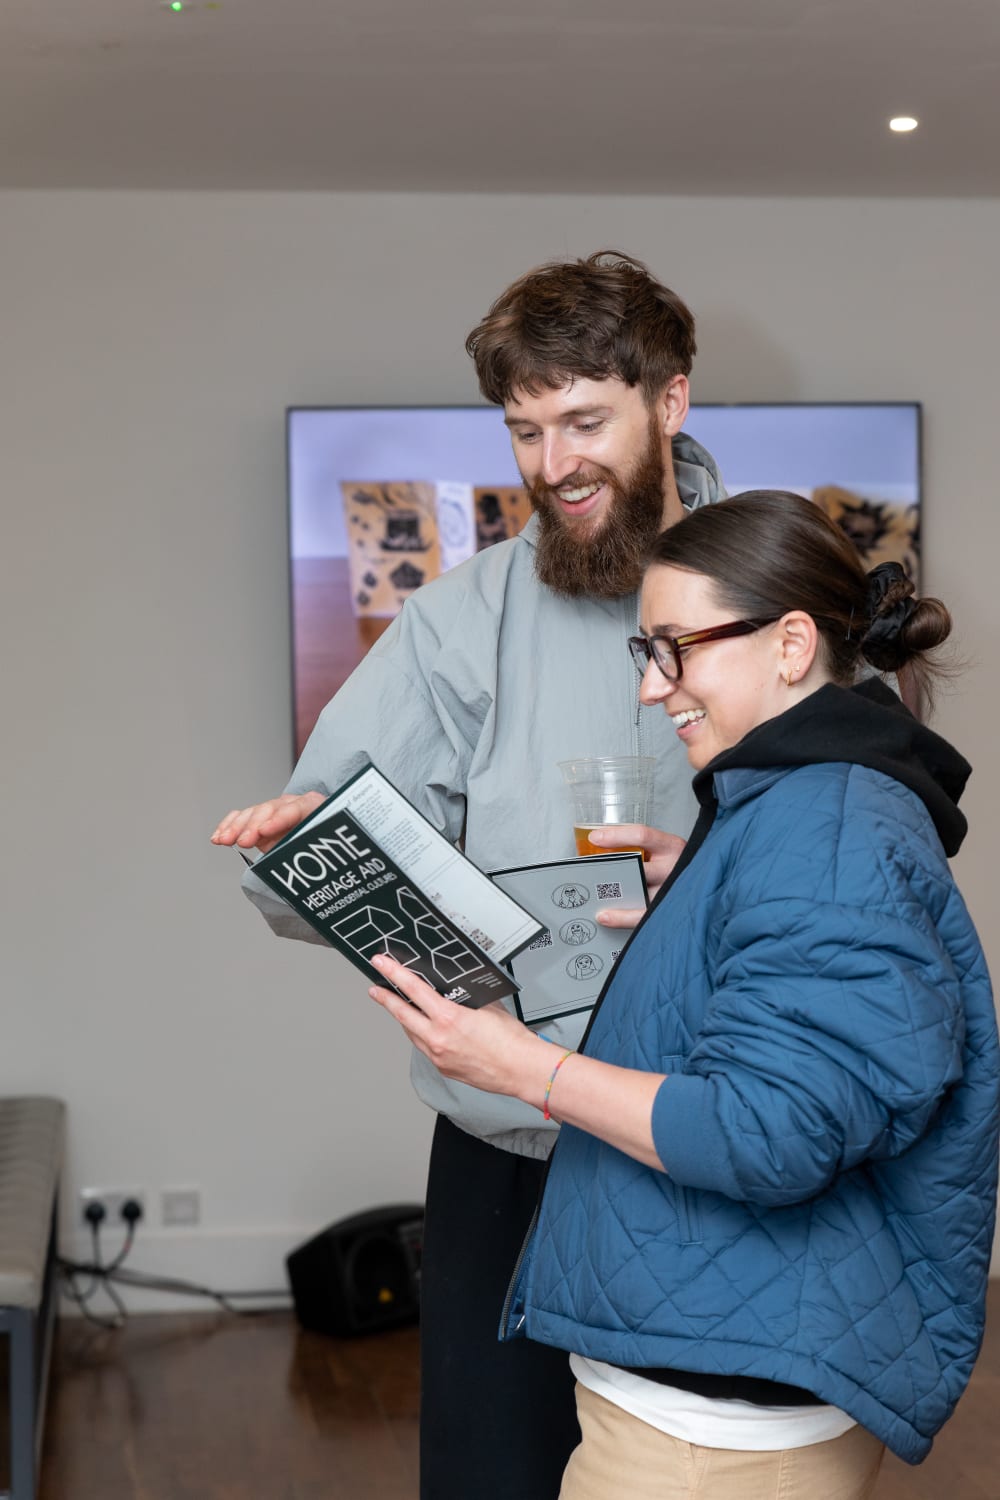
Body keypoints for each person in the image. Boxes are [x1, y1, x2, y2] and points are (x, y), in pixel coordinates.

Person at [211, 251, 726, 1499]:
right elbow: (304, 876)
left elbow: (865, 832)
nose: (556, 465)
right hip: (512, 1156)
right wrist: (315, 846)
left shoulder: (787, 590)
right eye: (525, 432)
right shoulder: (457, 622)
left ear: (669, 400)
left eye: (585, 421)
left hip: (720, 1143)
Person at [366, 490, 999, 1500]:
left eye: (676, 650)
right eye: (644, 652)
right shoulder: (792, 805)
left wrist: (524, 1069)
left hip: (712, 1435)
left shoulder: (827, 826)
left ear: (790, 644)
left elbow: (772, 1131)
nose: (653, 687)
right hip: (713, 1384)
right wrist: (703, 888)